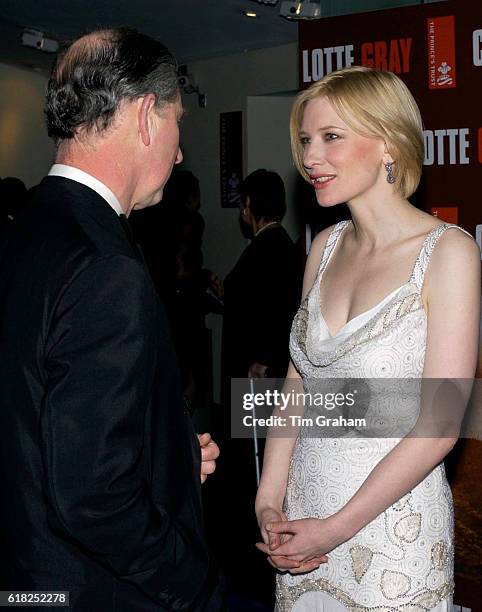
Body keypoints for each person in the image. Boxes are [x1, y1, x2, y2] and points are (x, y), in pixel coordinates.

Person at [0, 28, 225, 611]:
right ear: (147, 117)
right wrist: (190, 582)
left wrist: (168, 451)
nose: (178, 153)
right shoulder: (105, 265)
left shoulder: (25, 230)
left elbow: (37, 407)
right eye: (178, 124)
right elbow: (94, 495)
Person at [255, 66, 480, 611]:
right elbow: (297, 392)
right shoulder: (324, 249)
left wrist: (337, 529)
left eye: (332, 137)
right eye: (307, 140)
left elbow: (441, 424)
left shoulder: (448, 251)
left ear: (388, 144)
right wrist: (267, 502)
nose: (311, 158)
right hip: (303, 522)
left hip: (392, 532)